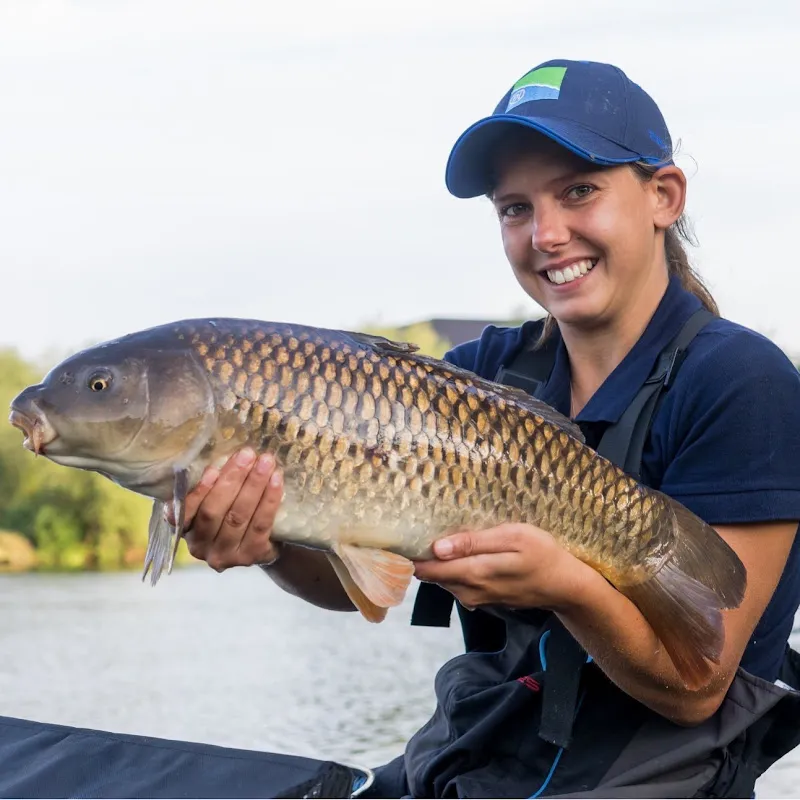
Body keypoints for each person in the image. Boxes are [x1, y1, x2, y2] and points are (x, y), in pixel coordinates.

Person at [173, 59, 800, 798]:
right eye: (515, 208)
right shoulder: (479, 375)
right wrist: (270, 541)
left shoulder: (741, 382)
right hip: (480, 755)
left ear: (663, 196)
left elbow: (696, 688)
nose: (547, 234)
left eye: (579, 191)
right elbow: (357, 577)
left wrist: (568, 585)